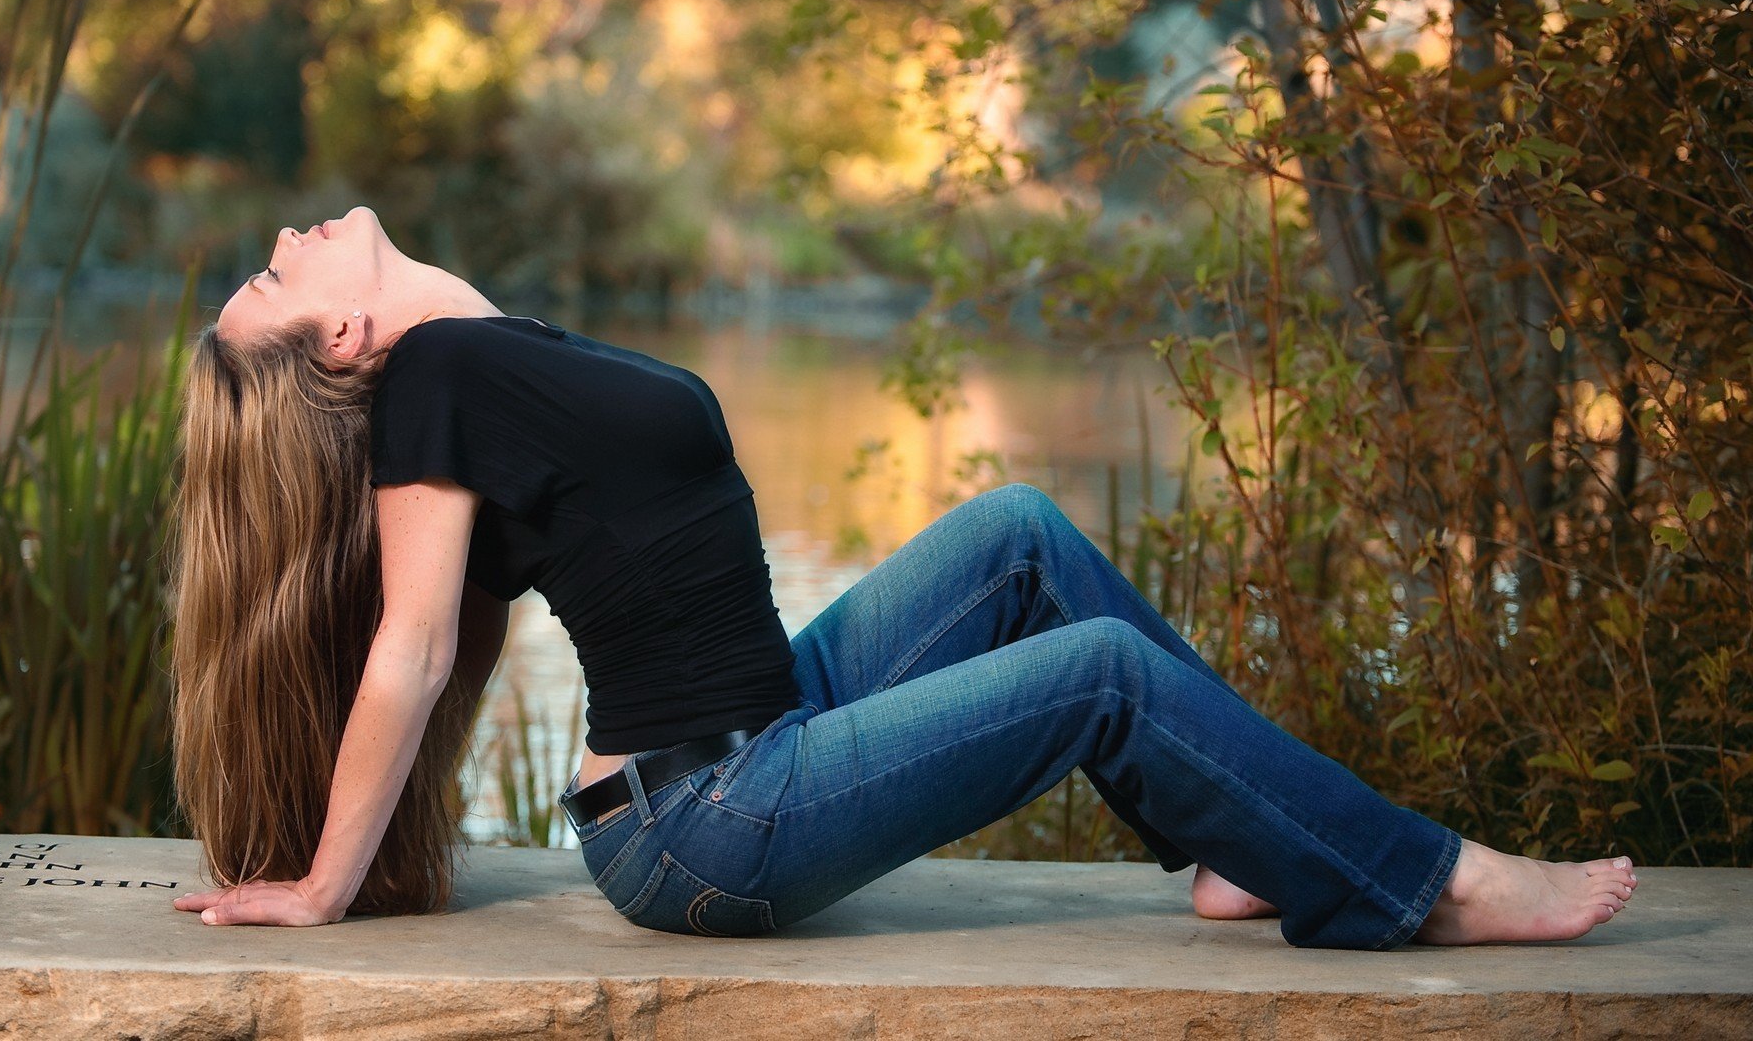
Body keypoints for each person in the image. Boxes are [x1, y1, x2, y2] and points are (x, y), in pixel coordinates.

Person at [167, 206, 1639, 948]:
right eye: (275, 281)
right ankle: (1421, 885)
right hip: (703, 821)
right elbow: (410, 651)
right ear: (344, 346)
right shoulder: (432, 381)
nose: (288, 240)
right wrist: (319, 887)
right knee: (1103, 681)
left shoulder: (491, 350)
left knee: (1018, 535)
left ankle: (1237, 853)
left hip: (767, 736)